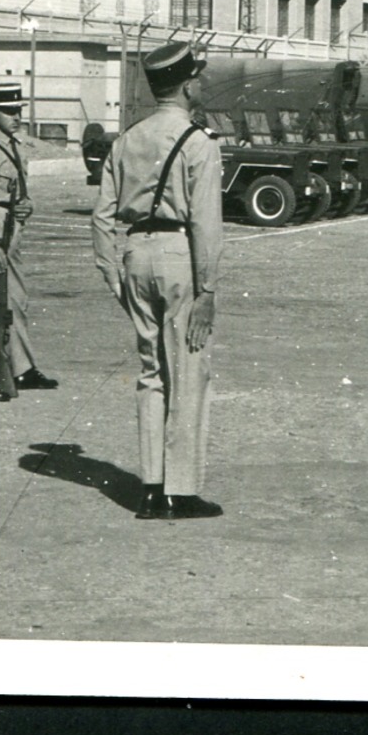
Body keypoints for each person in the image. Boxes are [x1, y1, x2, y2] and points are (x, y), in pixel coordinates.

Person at [90, 42, 225, 521]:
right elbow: (206, 223)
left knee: (151, 373)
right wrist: (207, 290)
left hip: (134, 255)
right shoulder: (198, 142)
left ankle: (150, 487)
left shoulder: (127, 139)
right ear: (187, 84)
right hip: (178, 257)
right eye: (199, 79)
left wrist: (113, 274)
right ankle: (180, 492)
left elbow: (102, 215)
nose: (202, 85)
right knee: (188, 373)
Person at [0, 82, 58, 397]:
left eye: (18, 110)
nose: (15, 117)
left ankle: (21, 367)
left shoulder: (15, 145)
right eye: (8, 111)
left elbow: (17, 191)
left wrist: (26, 205)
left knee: (15, 300)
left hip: (12, 227)